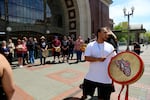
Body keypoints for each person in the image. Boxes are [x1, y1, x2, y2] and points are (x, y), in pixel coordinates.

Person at [80, 27, 116, 100]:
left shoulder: (110, 46)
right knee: (86, 97)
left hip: (106, 79)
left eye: (107, 33)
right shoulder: (90, 45)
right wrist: (98, 59)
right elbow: (86, 58)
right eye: (105, 32)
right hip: (91, 77)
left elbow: (115, 60)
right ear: (99, 33)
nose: (107, 34)